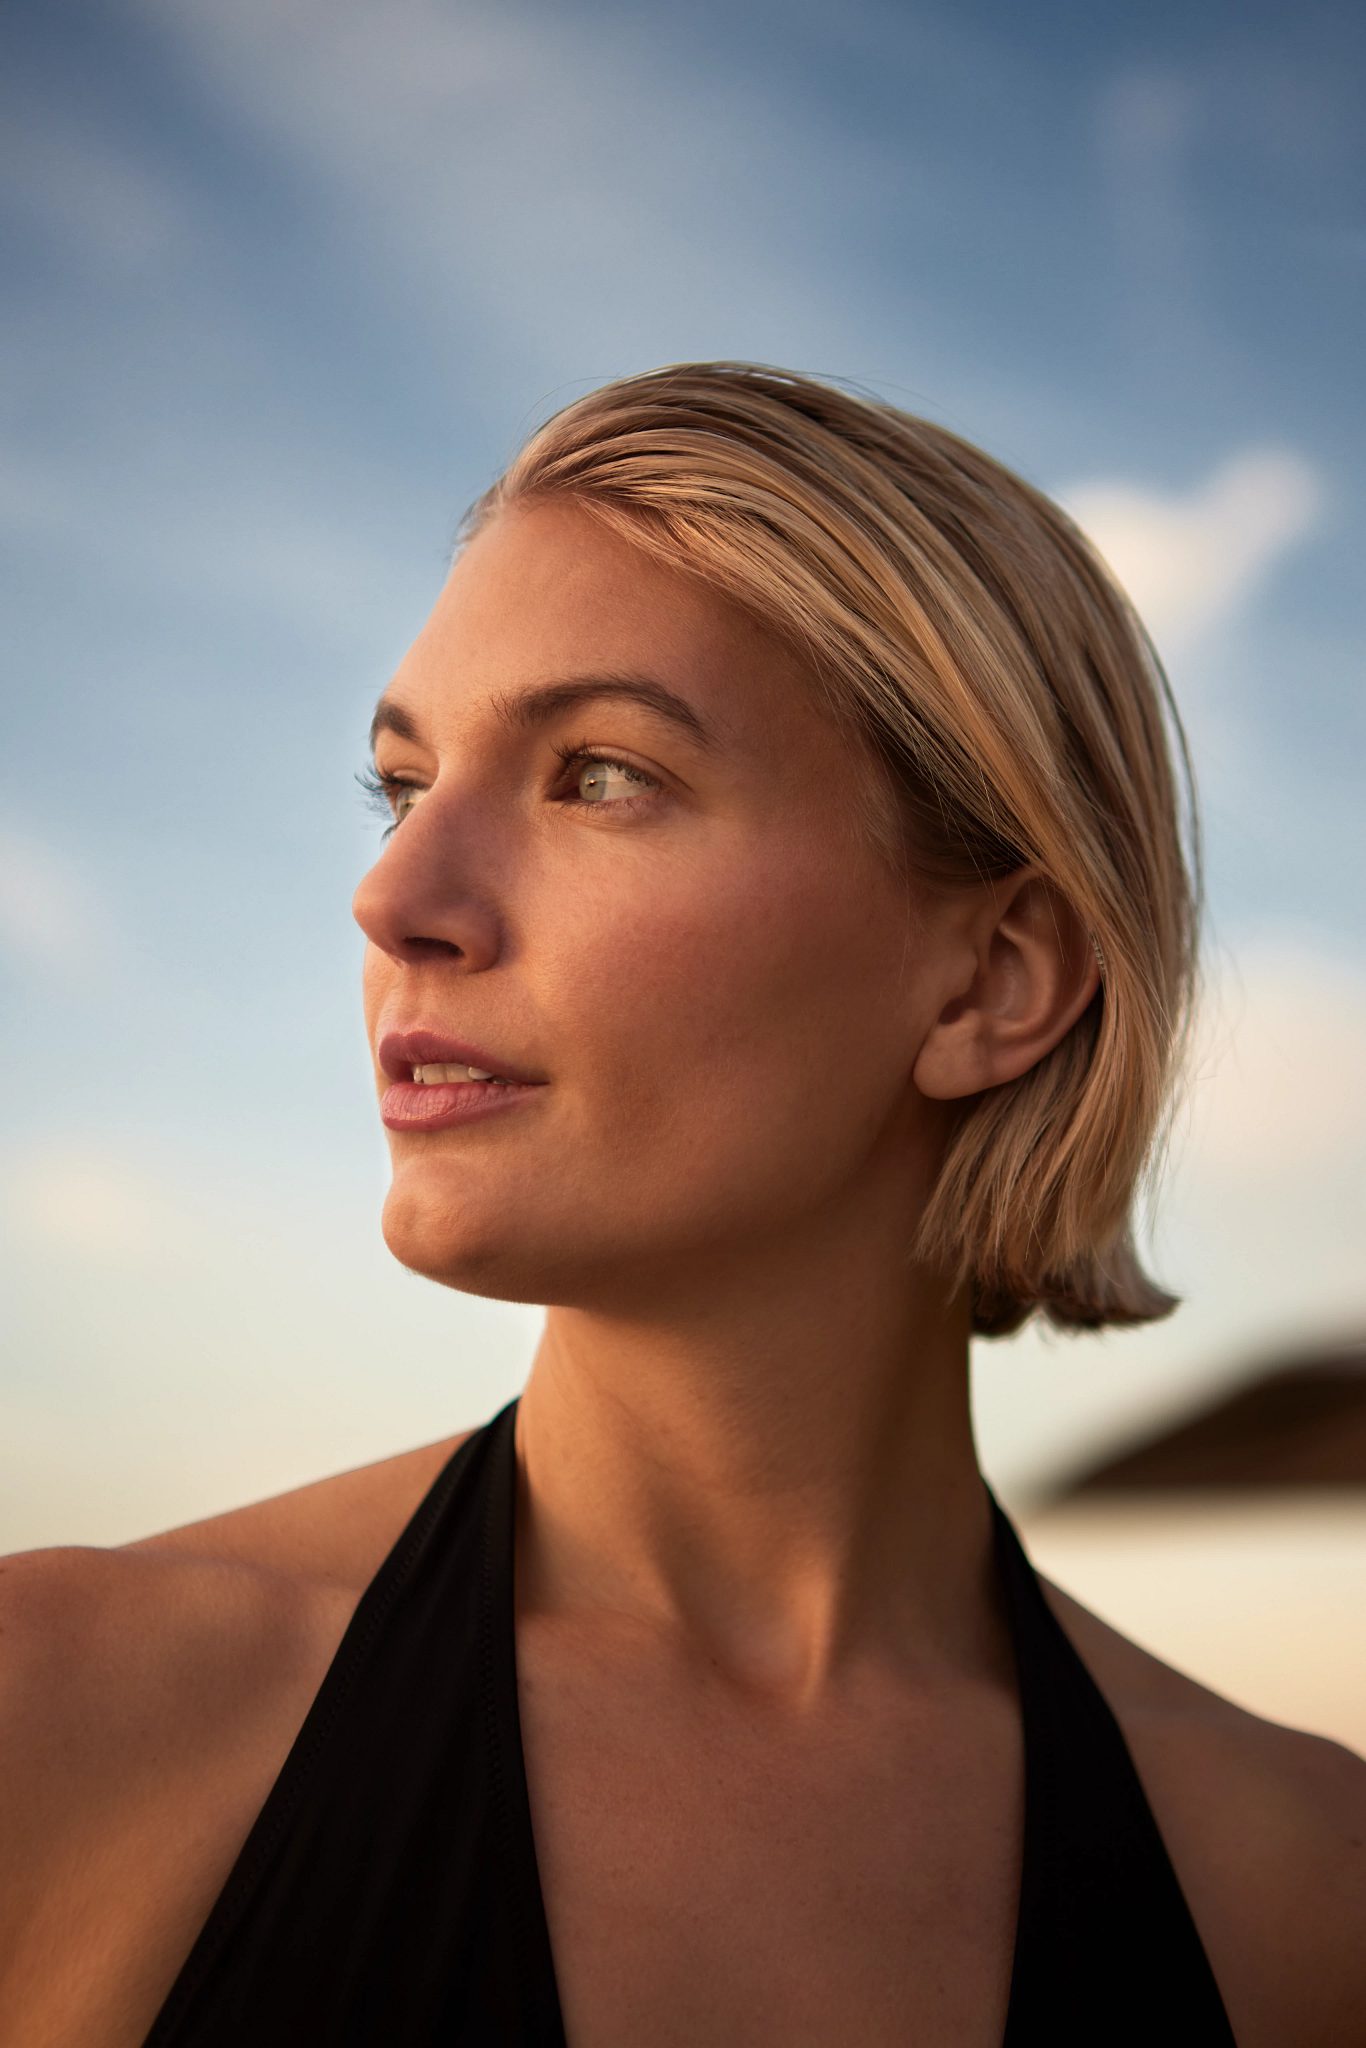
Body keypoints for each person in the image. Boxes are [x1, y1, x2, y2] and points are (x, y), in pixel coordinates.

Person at [2, 363, 1362, 2047]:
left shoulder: (1305, 1896)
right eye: (403, 783)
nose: (394, 895)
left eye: (600, 776)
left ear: (992, 983)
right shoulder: (53, 1719)